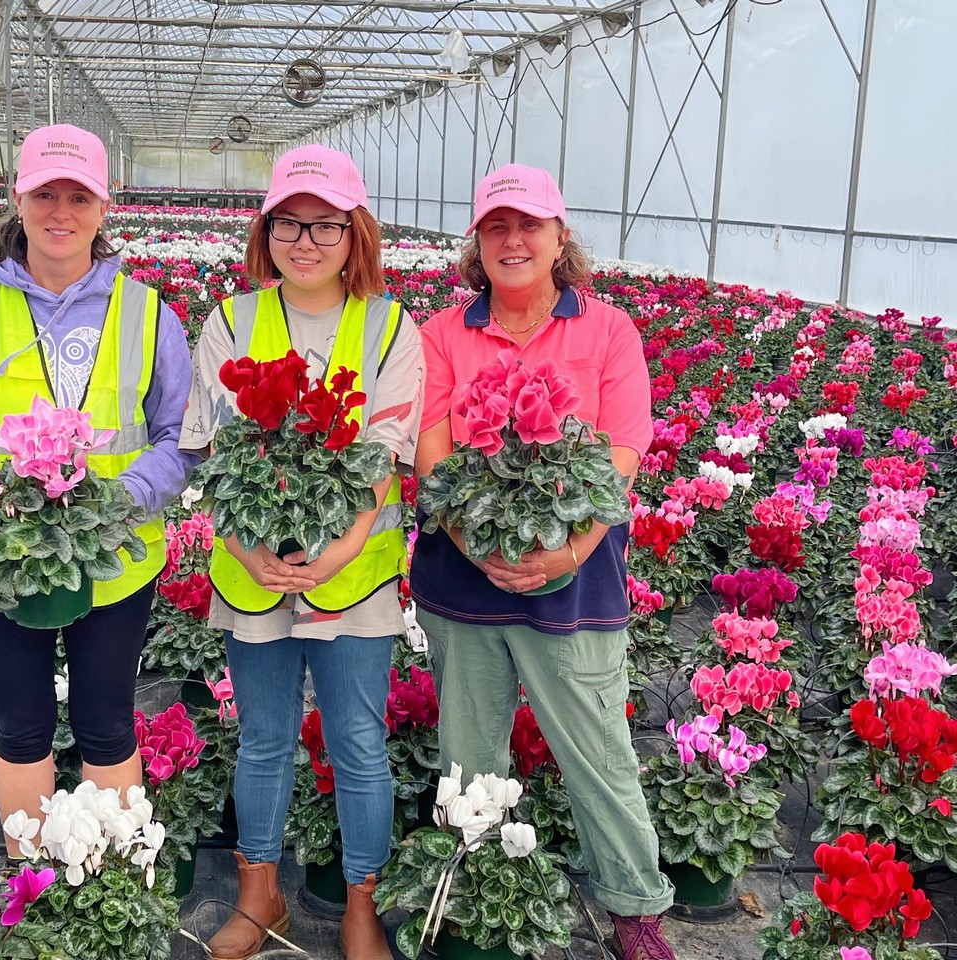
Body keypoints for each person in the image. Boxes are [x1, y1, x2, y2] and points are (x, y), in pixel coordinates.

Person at [0, 124, 197, 860]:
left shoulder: (147, 312)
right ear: (18, 200)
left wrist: (123, 497)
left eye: (78, 197)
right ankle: (35, 886)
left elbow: (182, 435)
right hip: (3, 557)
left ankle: (109, 877)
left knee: (107, 721)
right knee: (22, 724)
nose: (60, 212)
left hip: (119, 556)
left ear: (105, 208)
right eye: (45, 194)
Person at [410, 164, 677, 960]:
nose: (514, 239)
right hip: (463, 581)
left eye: (531, 225)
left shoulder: (607, 330)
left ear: (561, 239)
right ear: (477, 243)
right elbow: (430, 456)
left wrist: (569, 548)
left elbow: (625, 449)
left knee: (598, 751)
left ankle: (634, 905)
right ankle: (481, 894)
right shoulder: (443, 334)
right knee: (470, 754)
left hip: (577, 583)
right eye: (498, 226)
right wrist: (477, 545)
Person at [180, 144, 423, 960]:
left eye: (325, 224)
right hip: (251, 573)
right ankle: (260, 896)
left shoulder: (390, 324)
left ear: (356, 234)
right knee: (264, 738)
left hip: (353, 577)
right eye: (289, 222)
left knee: (357, 742)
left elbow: (388, 453)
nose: (306, 240)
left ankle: (362, 902)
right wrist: (248, 551)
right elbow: (213, 451)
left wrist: (345, 543)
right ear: (267, 229)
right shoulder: (230, 321)